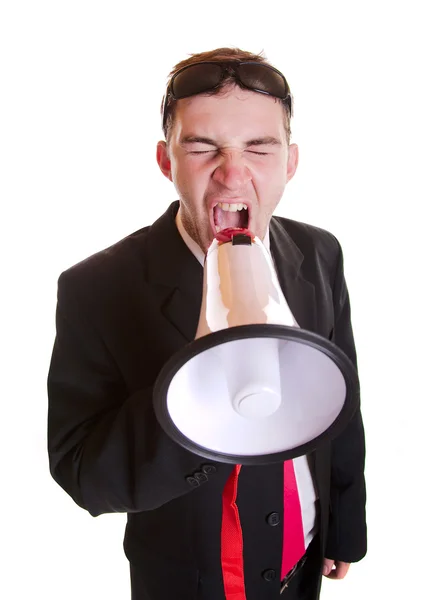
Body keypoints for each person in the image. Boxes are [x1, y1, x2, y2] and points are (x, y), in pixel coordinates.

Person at [47, 47, 367, 600]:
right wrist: (195, 377)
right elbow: (84, 476)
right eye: (202, 147)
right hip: (192, 582)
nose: (233, 173)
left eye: (259, 147)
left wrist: (344, 529)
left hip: (302, 564)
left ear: (290, 162)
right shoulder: (95, 287)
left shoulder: (318, 252)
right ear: (166, 161)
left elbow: (343, 402)